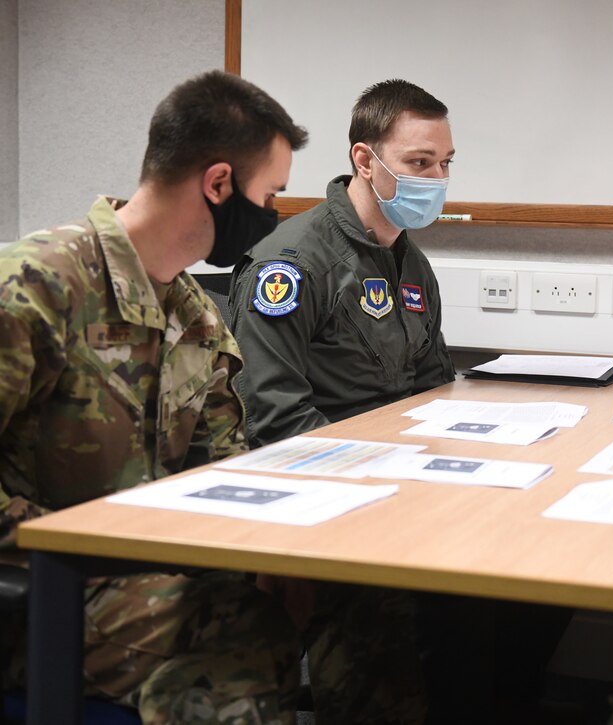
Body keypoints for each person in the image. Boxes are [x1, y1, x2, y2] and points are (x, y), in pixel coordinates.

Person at [0, 70, 308, 723]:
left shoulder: (197, 317)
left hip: (146, 576)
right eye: (271, 193)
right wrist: (84, 539)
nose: (272, 214)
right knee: (245, 659)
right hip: (42, 589)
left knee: (315, 611)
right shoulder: (40, 283)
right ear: (219, 183)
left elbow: (223, 473)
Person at [228, 78, 455, 448]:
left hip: (401, 457)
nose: (439, 179)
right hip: (327, 467)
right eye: (420, 162)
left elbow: (434, 387)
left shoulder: (411, 262)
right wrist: (370, 462)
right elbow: (273, 415)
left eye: (445, 163)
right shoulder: (291, 267)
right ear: (365, 161)